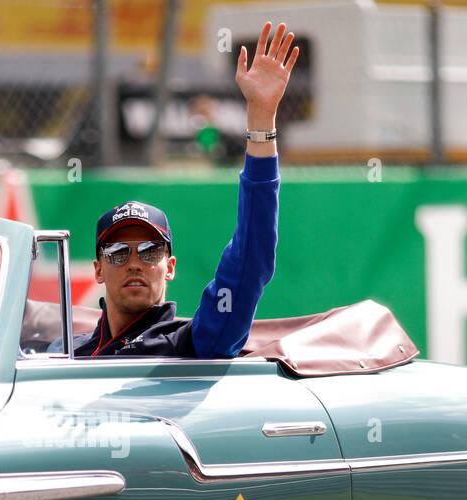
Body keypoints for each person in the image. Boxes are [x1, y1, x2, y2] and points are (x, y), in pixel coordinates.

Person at [59, 21, 299, 359]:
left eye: (149, 251)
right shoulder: (64, 353)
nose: (134, 263)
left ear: (169, 266)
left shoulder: (191, 344)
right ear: (98, 269)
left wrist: (261, 116)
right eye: (117, 252)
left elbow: (250, 261)